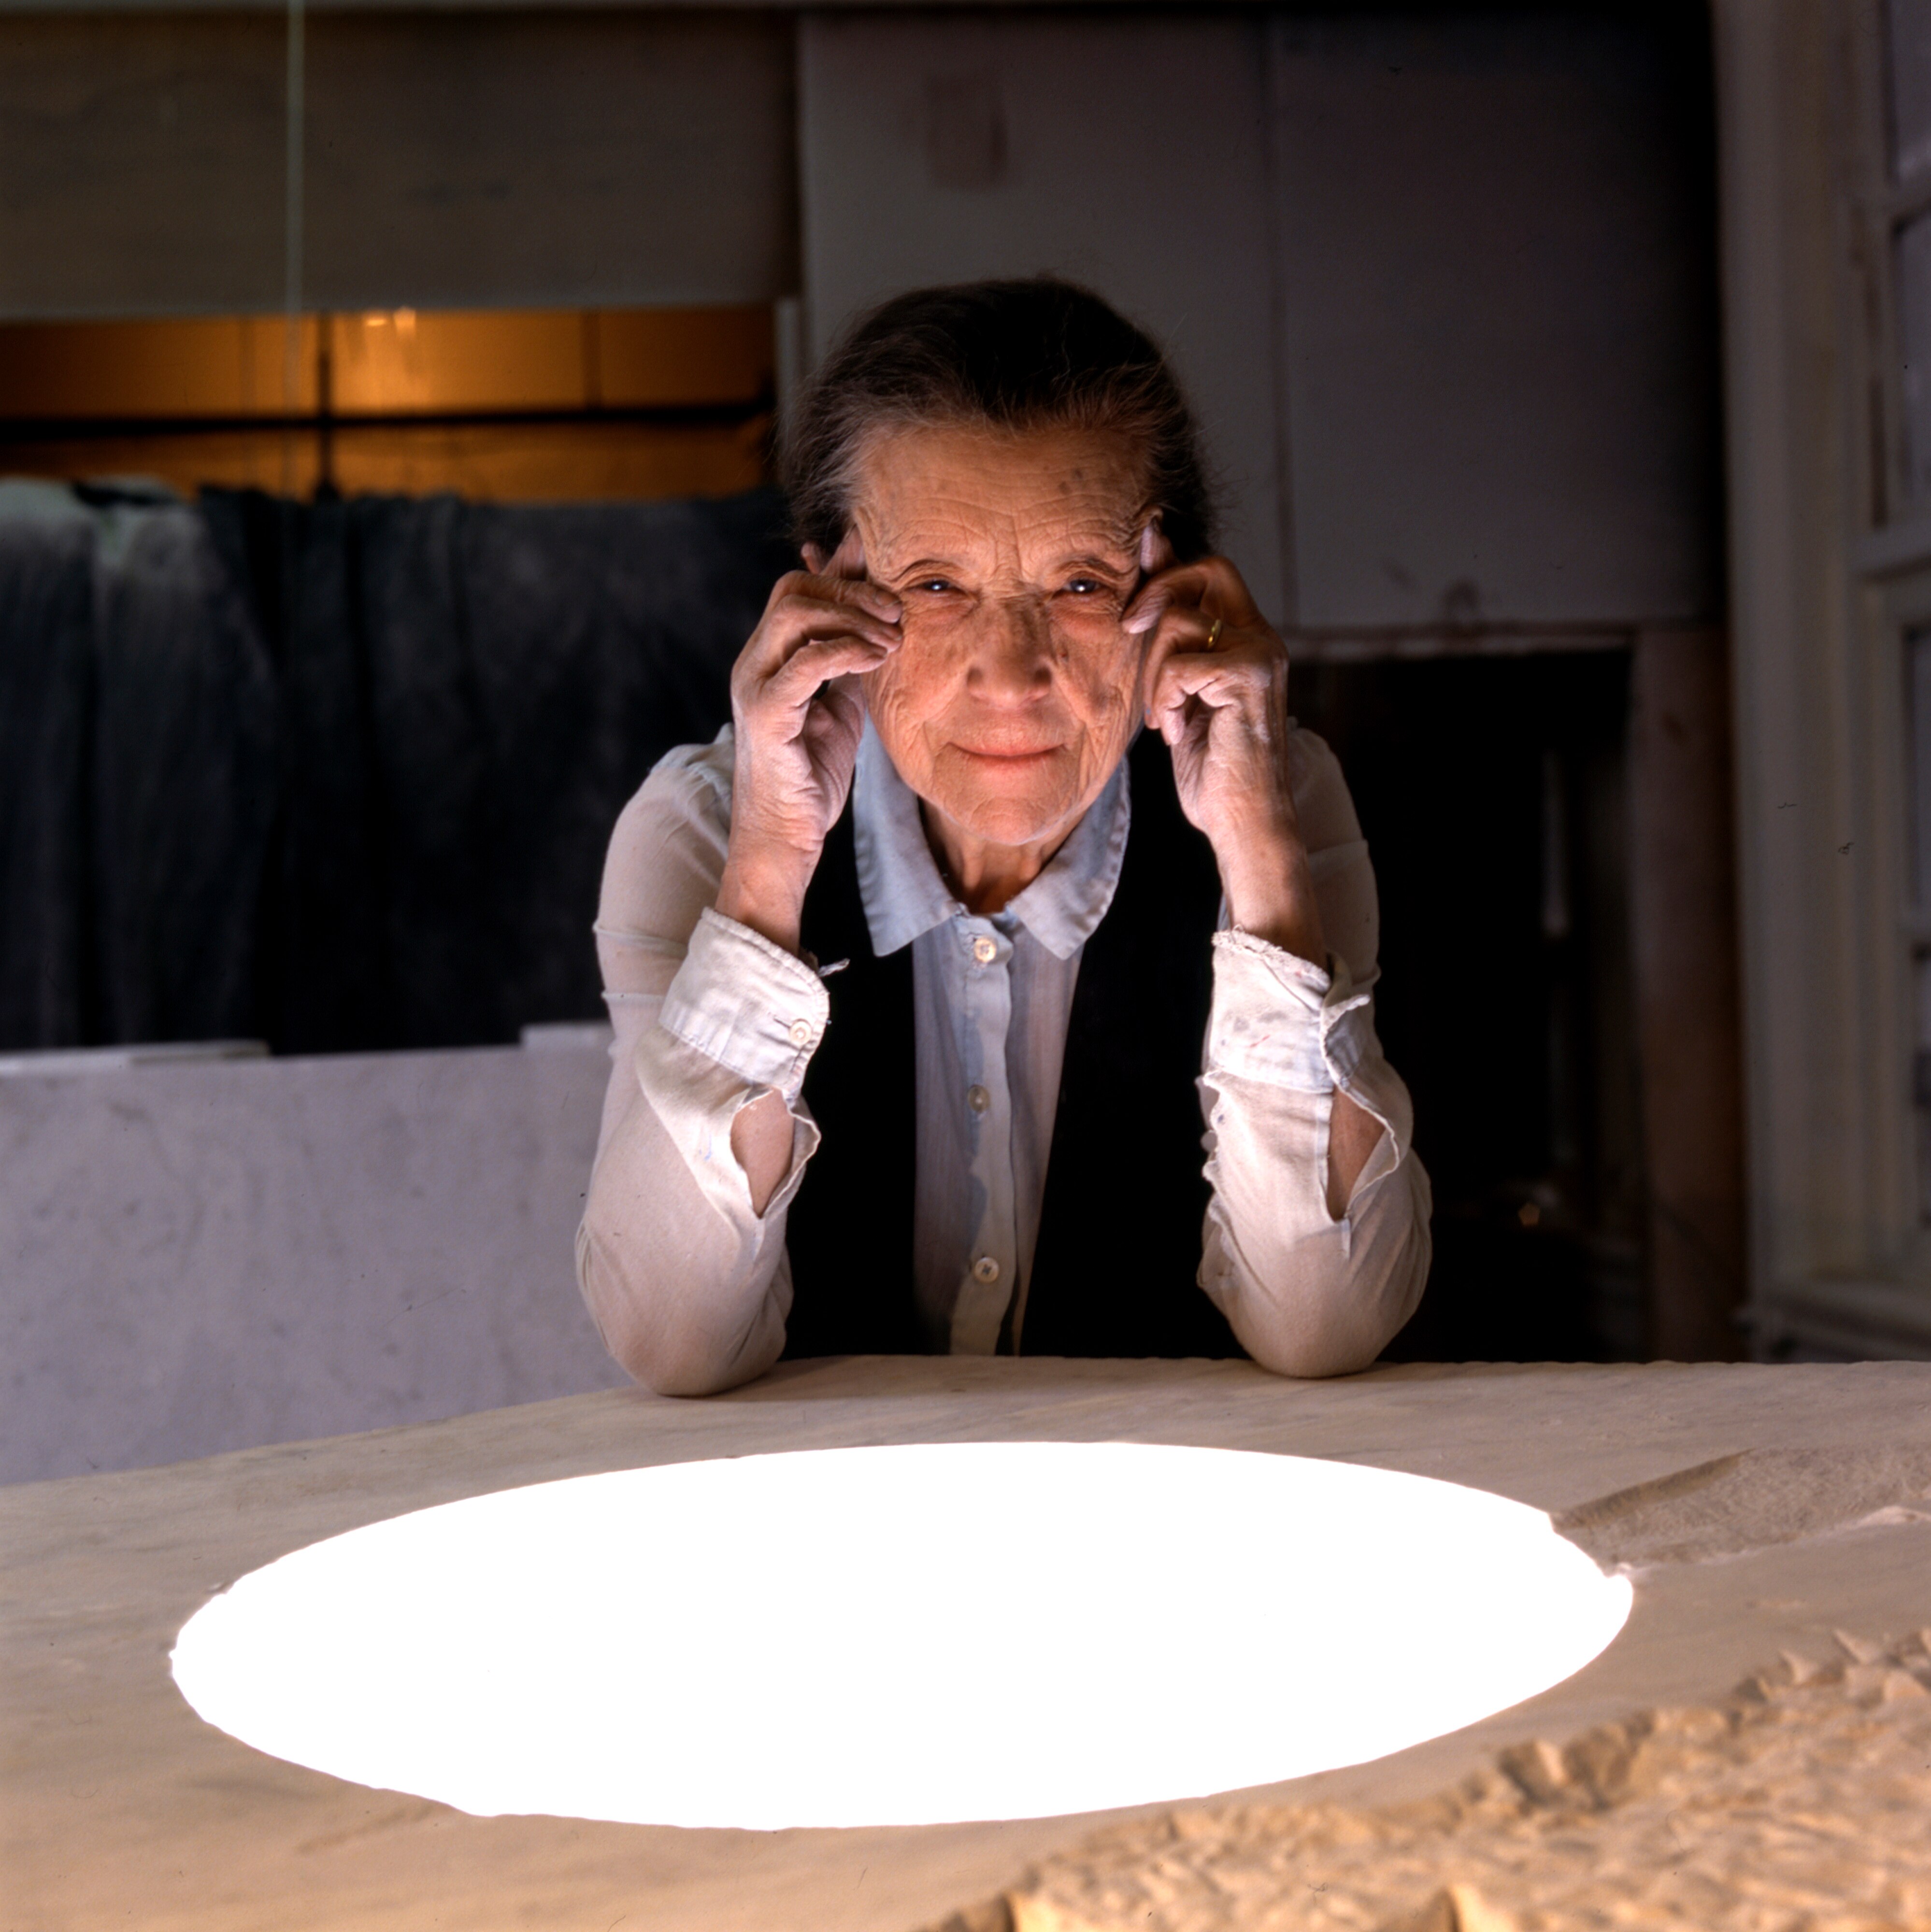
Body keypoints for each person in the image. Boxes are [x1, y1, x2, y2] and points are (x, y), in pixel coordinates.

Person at [577, 279, 1430, 1395]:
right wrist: (770, 866)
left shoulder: (1271, 798)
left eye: (1078, 582)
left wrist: (1260, 855)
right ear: (826, 592)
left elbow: (1326, 1324)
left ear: (1178, 594)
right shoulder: (702, 829)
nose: (1010, 674)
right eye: (935, 584)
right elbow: (672, 1342)